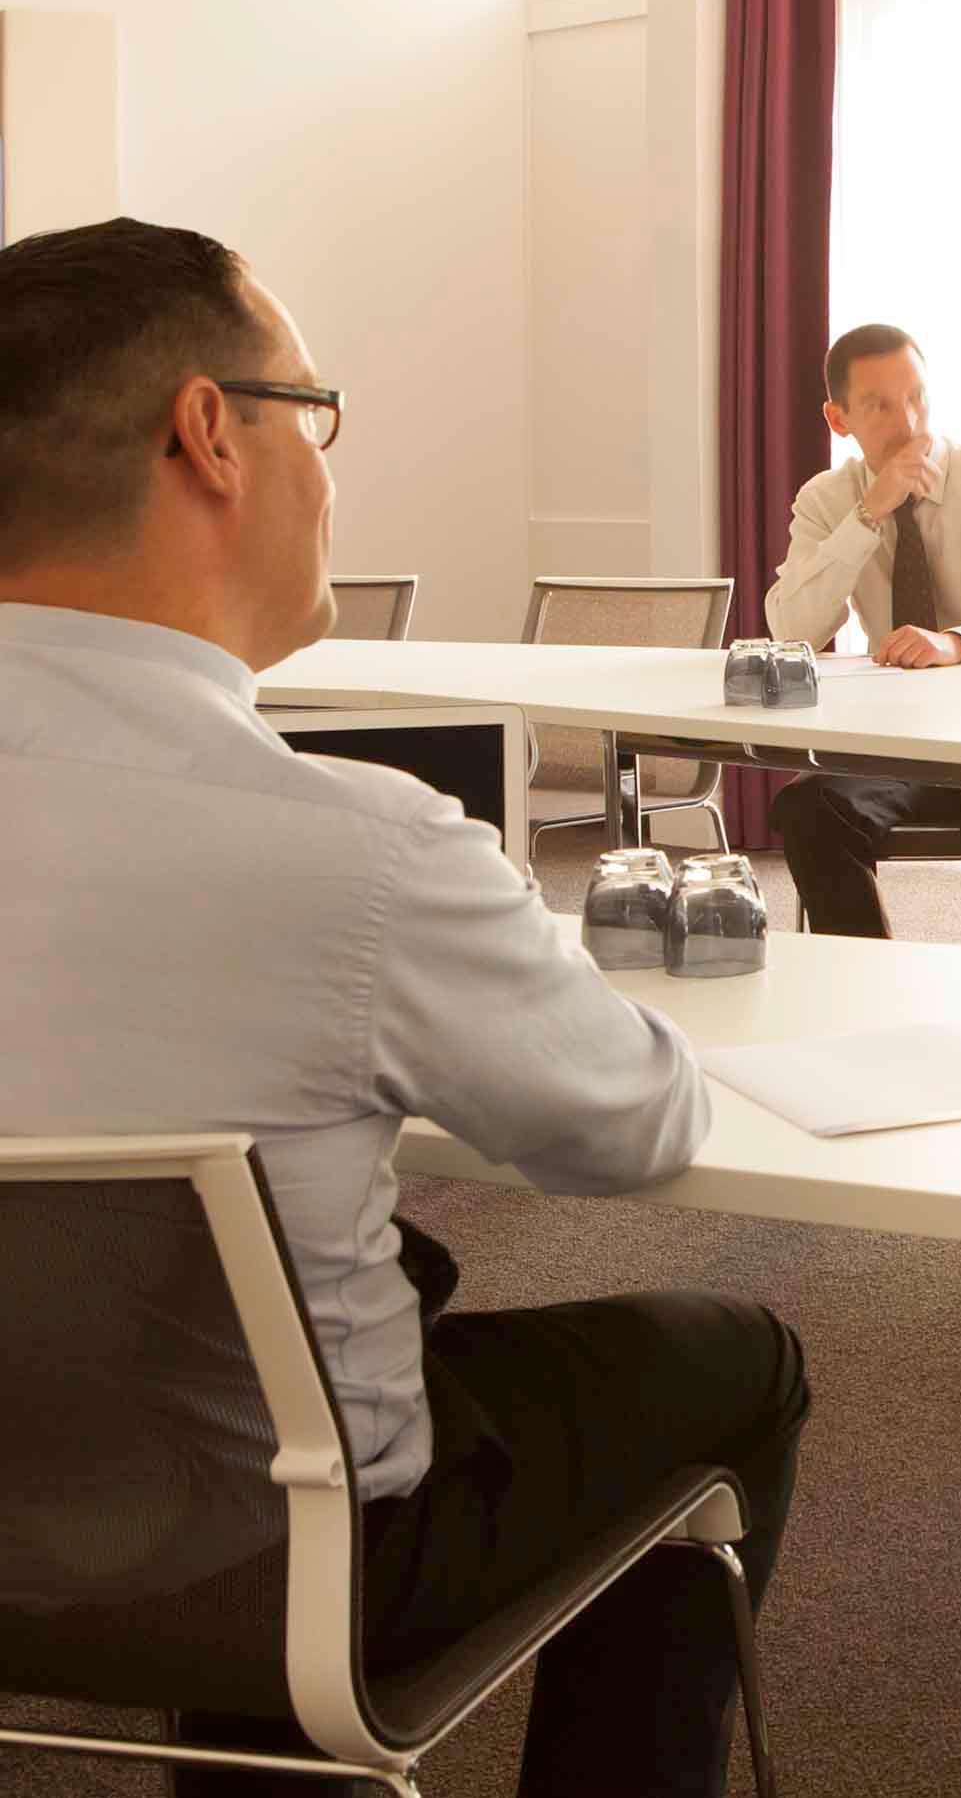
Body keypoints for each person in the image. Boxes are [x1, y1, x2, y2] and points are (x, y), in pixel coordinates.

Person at [0, 218, 806, 1797]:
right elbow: (634, 1120)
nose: (330, 465)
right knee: (732, 1355)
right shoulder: (356, 849)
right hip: (271, 1568)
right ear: (209, 434)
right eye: (317, 412)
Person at [765, 323, 961, 948]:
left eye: (917, 397)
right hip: (895, 745)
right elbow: (792, 629)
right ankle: (870, 980)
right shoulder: (827, 500)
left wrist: (958, 642)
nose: (908, 422)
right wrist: (867, 514)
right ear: (838, 418)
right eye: (879, 405)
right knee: (807, 808)